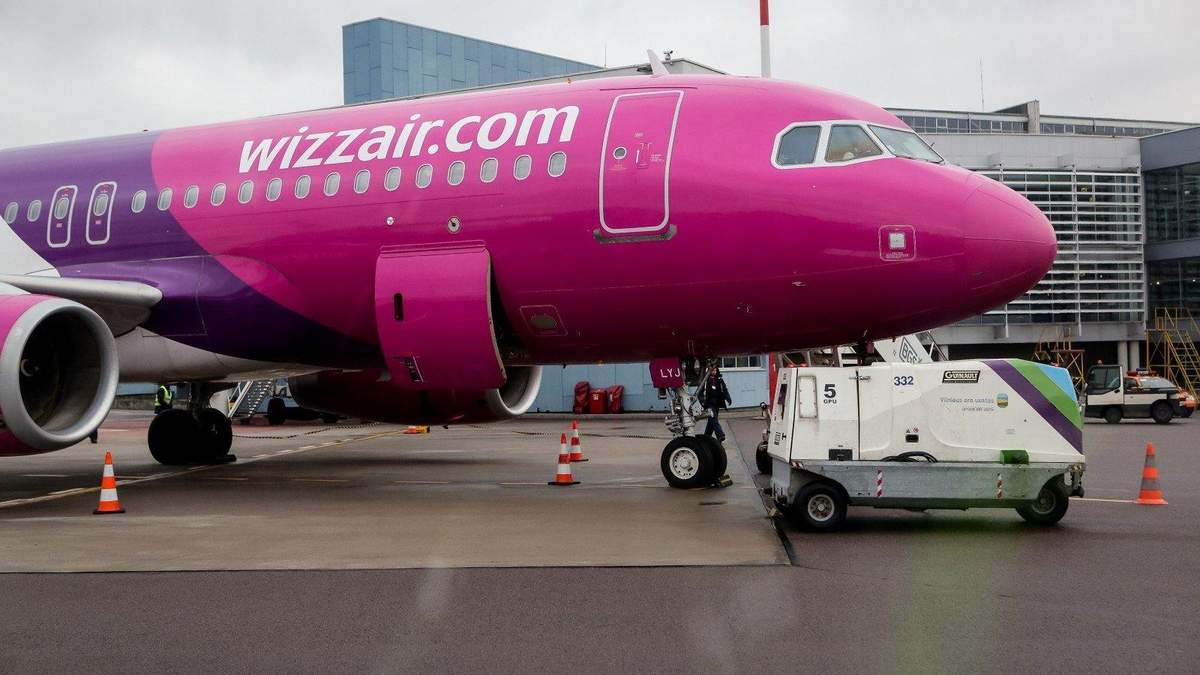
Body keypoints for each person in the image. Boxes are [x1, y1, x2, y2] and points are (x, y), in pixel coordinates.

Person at [700, 365, 732, 443]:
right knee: (713, 419)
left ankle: (706, 437)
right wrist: (702, 401)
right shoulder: (705, 380)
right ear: (708, 371)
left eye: (715, 370)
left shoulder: (719, 379)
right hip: (708, 403)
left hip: (716, 403)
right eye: (712, 370)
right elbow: (700, 392)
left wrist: (728, 398)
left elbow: (724, 389)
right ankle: (720, 435)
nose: (714, 372)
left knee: (711, 421)